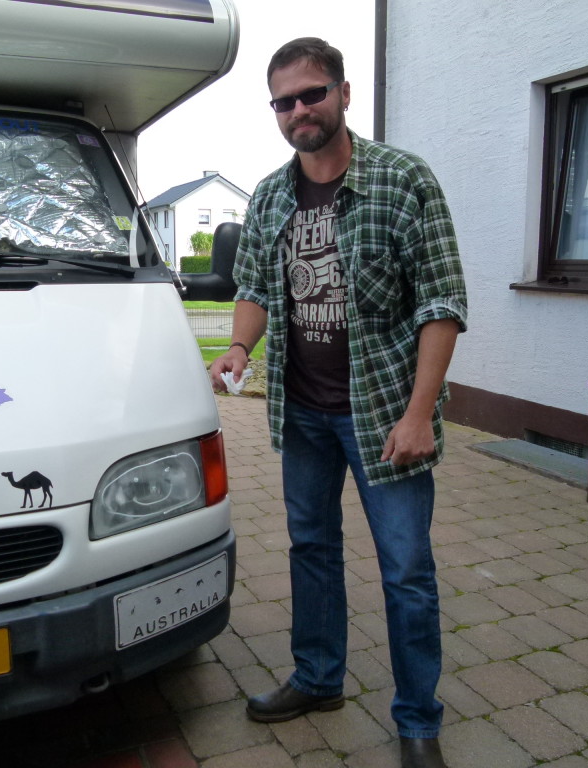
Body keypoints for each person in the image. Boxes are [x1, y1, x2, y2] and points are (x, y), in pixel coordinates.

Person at [209, 37, 467, 768]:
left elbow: (442, 303)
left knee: (406, 570)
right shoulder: (268, 195)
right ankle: (319, 679)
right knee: (311, 553)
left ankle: (418, 719)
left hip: (385, 413)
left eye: (311, 94)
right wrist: (238, 348)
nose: (299, 111)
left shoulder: (403, 179)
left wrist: (420, 414)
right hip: (303, 414)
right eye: (284, 102)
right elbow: (256, 287)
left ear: (344, 94)